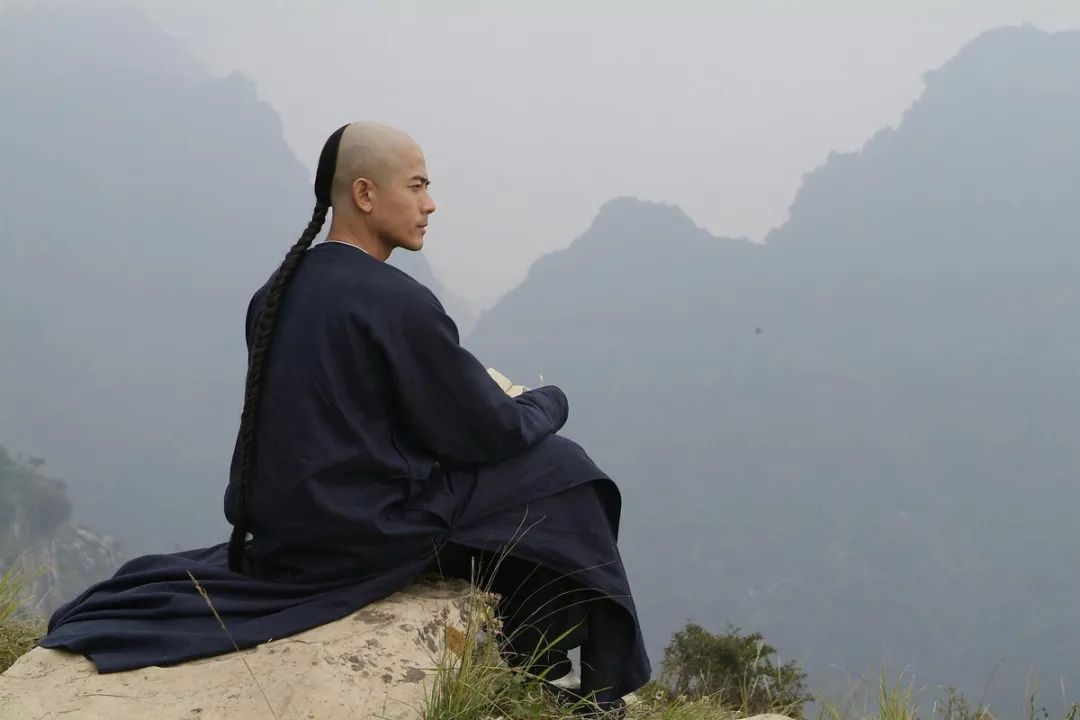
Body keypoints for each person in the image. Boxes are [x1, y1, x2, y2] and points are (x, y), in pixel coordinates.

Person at [41, 122, 650, 714]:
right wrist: (546, 401)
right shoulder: (397, 301)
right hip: (365, 533)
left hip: (288, 533)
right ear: (364, 193)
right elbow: (485, 432)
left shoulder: (276, 291)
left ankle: (537, 666)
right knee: (566, 470)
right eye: (417, 185)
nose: (430, 204)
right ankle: (571, 682)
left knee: (535, 471)